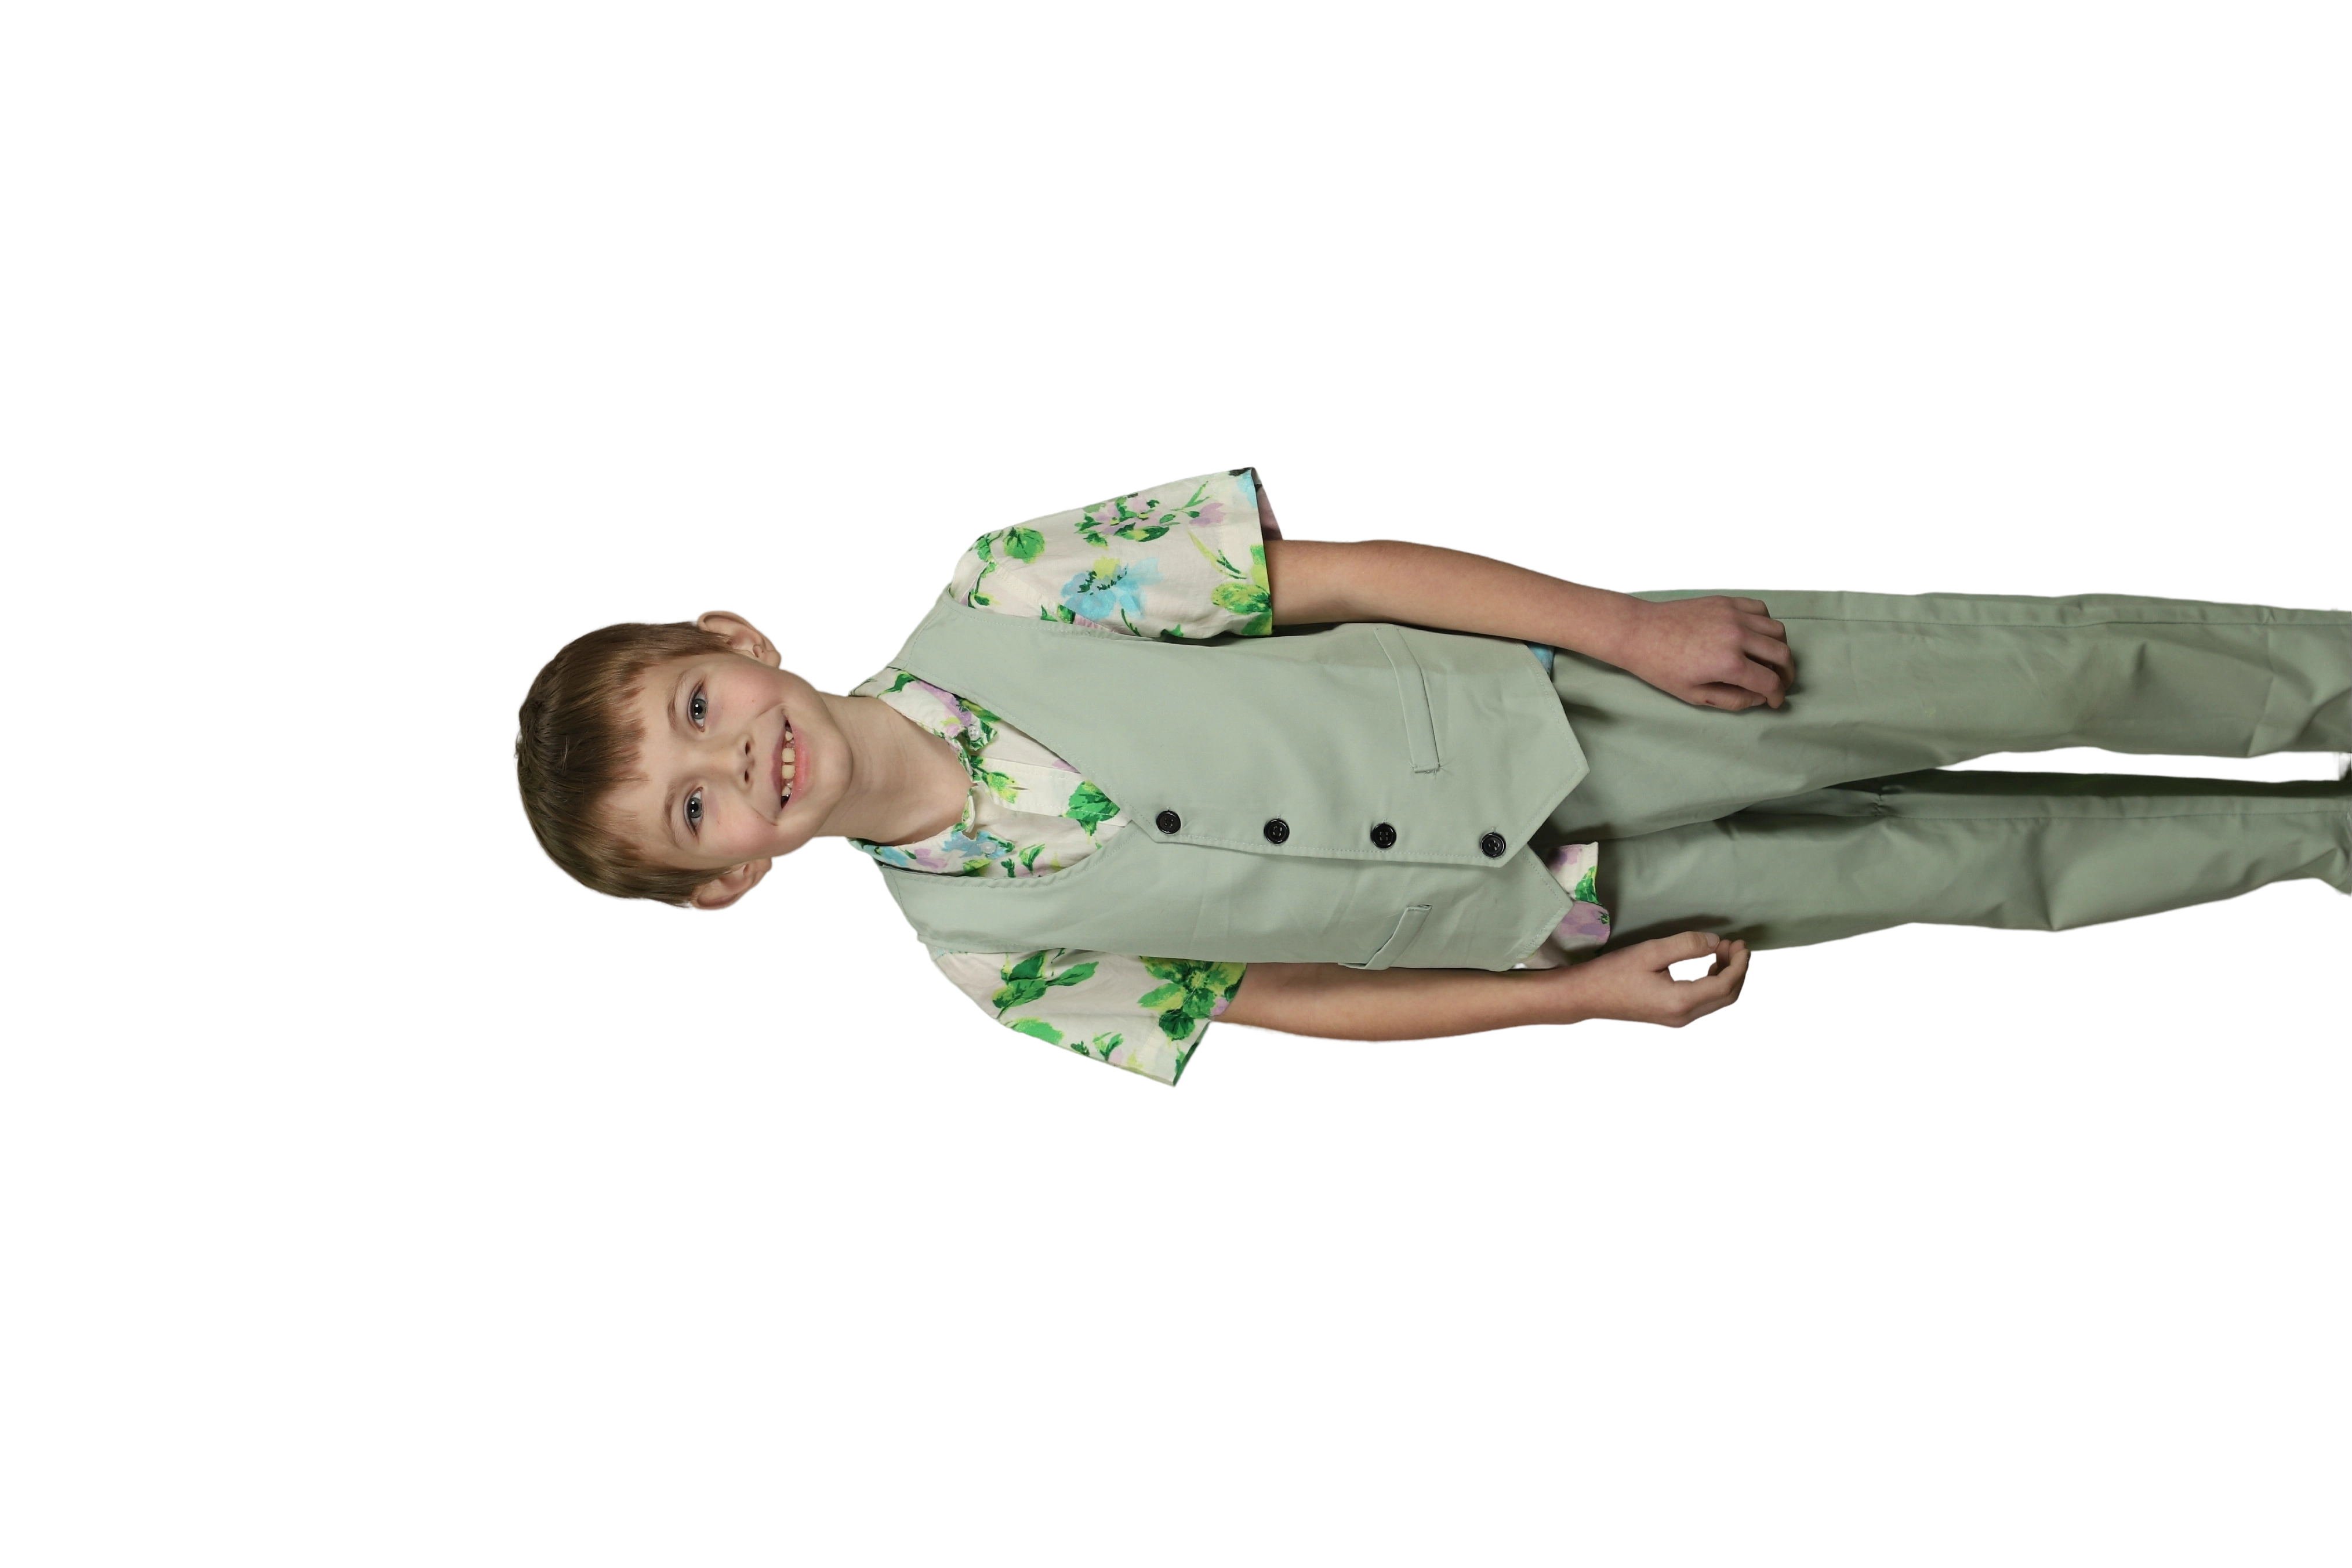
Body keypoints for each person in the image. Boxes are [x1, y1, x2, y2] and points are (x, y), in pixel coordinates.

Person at [510, 464, 2352, 1088]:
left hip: (1590, 703)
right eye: (695, 807)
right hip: (1586, 911)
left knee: (2019, 674)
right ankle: (2323, 848)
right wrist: (1573, 1003)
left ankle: (2320, 681)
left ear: (739, 639)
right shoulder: (995, 966)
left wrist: (1625, 628)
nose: (733, 760)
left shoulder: (1008, 591)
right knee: (1984, 870)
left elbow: (1326, 577)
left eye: (698, 707)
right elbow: (1299, 1001)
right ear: (730, 881)